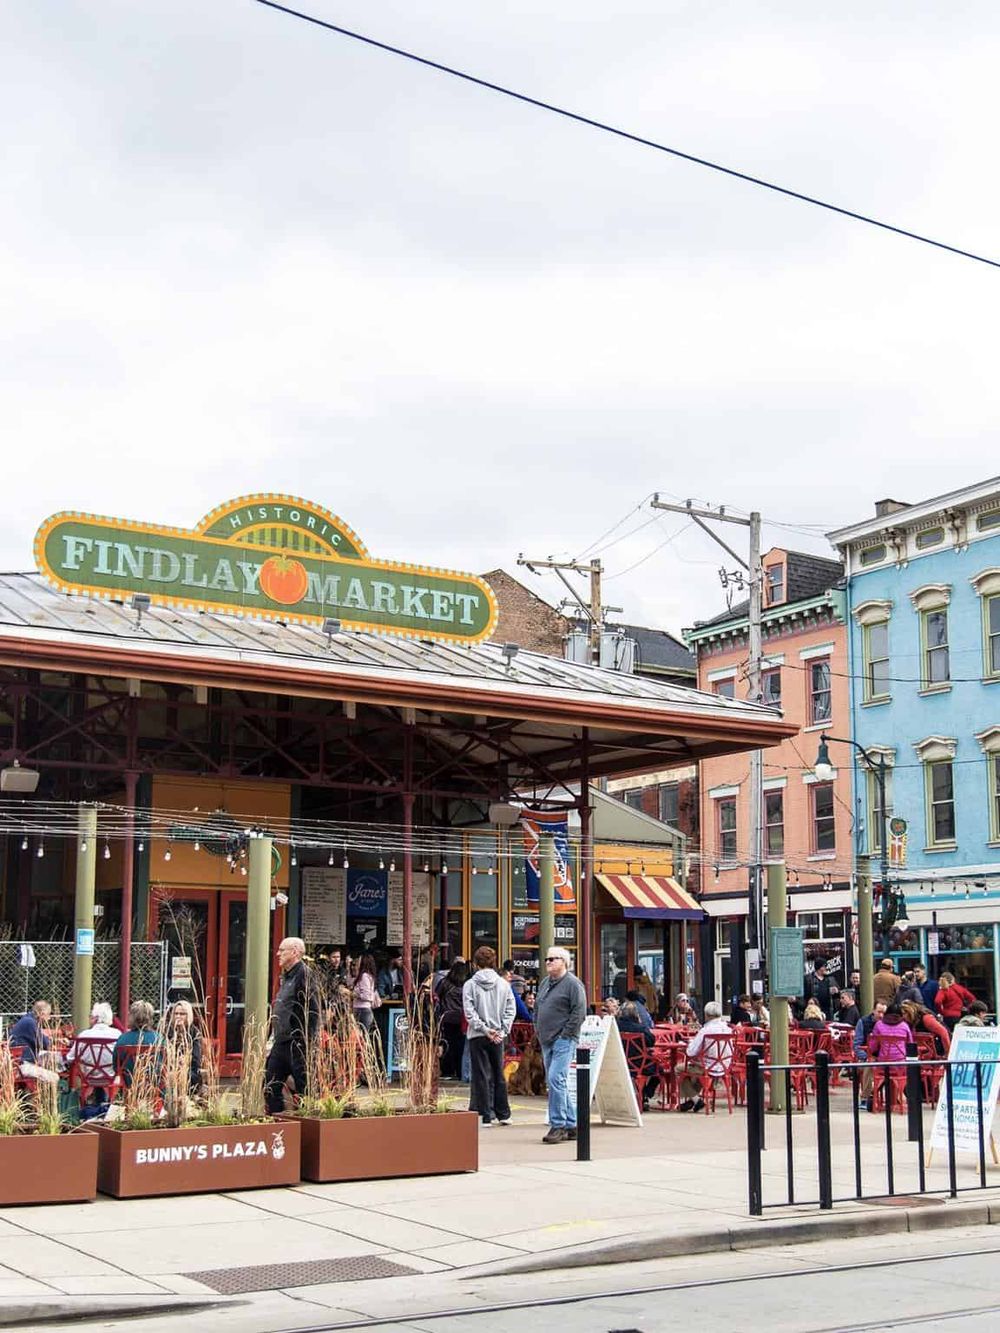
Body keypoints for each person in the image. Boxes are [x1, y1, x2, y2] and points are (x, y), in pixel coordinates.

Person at [535, 946, 587, 1144]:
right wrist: (538, 1028)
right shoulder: (546, 983)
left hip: (563, 1039)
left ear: (564, 962)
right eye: (547, 959)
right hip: (546, 1038)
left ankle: (557, 1124)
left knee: (556, 1078)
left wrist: (566, 1035)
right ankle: (572, 1123)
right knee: (557, 1081)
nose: (548, 962)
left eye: (553, 959)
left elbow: (579, 1012)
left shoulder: (573, 984)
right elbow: (538, 1007)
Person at [462, 946, 515, 1127]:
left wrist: (484, 1029)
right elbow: (510, 1009)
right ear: (494, 962)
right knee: (498, 1074)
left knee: (481, 1075)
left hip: (478, 1035)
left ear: (476, 964)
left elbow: (469, 1012)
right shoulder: (503, 984)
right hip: (498, 1035)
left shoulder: (469, 985)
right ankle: (504, 1113)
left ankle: (485, 1115)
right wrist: (502, 1030)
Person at [264, 937, 317, 1115]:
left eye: (282, 950)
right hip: (281, 1042)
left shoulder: (304, 974)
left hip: (296, 1042)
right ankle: (277, 1124)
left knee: (305, 1089)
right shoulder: (286, 976)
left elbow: (313, 1010)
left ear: (294, 952)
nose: (278, 954)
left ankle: (306, 1124)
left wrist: (305, 1041)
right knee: (270, 1086)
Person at [64, 1001, 119, 1111]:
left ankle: (90, 1105)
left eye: (91, 1016)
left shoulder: (83, 1035)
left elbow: (70, 1058)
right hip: (111, 1076)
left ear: (96, 1018)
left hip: (88, 1076)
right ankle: (109, 1105)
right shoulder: (117, 1034)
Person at [679, 1002, 732, 1112]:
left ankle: (695, 1099)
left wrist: (688, 1045)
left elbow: (690, 1052)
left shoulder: (705, 1030)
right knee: (696, 1071)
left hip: (708, 1066)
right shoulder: (727, 1029)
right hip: (724, 1066)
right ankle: (693, 1100)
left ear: (707, 1015)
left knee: (678, 1069)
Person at [616, 1000, 659, 1110]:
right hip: (640, 1064)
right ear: (635, 1014)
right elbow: (651, 1041)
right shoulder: (640, 1028)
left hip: (620, 1062)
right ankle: (645, 1094)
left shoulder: (616, 1026)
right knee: (659, 1069)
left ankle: (642, 1095)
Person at [114, 1000, 162, 1086]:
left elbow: (116, 1066)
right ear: (150, 1018)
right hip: (154, 1084)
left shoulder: (122, 1039)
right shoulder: (159, 1039)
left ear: (131, 1017)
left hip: (129, 1084)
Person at [436, 959, 469, 1079]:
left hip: (447, 1017)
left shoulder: (444, 982)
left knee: (447, 1044)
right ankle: (460, 1071)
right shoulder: (467, 985)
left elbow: (436, 997)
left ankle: (447, 1071)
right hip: (462, 1018)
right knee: (461, 1046)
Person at [168, 1000, 203, 1091]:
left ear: (188, 1015)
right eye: (176, 1014)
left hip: (189, 1068)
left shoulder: (194, 1033)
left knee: (190, 1076)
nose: (178, 1016)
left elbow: (196, 1058)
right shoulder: (168, 1031)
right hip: (169, 1068)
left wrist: (185, 1060)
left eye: (182, 1014)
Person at [351, 953, 380, 1032]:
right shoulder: (367, 976)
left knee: (362, 1035)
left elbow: (366, 995)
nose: (357, 962)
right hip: (361, 1009)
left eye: (359, 960)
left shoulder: (364, 976)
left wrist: (353, 994)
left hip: (362, 1009)